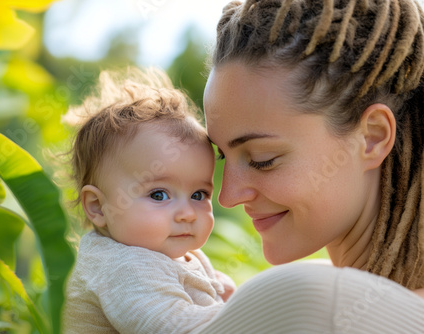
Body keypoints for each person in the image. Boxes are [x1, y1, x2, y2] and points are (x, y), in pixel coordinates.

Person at [194, 0, 424, 332]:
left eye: (263, 160)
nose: (227, 197)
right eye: (221, 157)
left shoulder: (313, 303)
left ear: (372, 136)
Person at [62, 68, 236, 334]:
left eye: (198, 195)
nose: (187, 213)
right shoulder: (123, 267)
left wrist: (223, 293)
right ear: (98, 206)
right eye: (159, 195)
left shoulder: (170, 253)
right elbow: (176, 327)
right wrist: (248, 309)